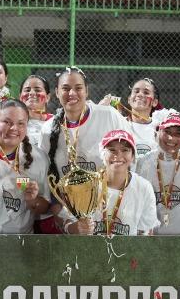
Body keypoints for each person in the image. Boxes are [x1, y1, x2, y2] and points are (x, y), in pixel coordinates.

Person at [39, 67, 130, 233]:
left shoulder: (109, 116)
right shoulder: (47, 129)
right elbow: (48, 180)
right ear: (57, 92)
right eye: (65, 88)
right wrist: (66, 220)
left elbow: (131, 158)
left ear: (87, 91)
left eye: (78, 88)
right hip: (73, 216)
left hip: (111, 211)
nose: (72, 93)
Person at [62, 130, 159, 236]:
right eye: (112, 150)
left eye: (125, 150)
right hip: (89, 250)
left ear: (132, 156)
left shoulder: (144, 187)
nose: (118, 155)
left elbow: (146, 232)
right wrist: (75, 228)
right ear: (103, 154)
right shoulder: (85, 184)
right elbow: (66, 221)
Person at [0, 99, 50, 234]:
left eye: (20, 123)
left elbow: (43, 207)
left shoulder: (39, 157)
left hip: (20, 239)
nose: (14, 128)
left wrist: (33, 200)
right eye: (7, 122)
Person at [136, 110, 180, 235]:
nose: (171, 138)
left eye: (178, 134)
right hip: (152, 241)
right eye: (167, 132)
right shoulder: (143, 163)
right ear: (157, 132)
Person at [99, 77, 163, 157]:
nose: (139, 94)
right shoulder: (117, 124)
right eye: (136, 91)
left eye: (146, 93)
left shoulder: (160, 128)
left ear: (154, 102)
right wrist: (99, 111)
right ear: (129, 99)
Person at [18, 74, 53, 148]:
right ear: (20, 97)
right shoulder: (13, 123)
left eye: (37, 90)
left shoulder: (56, 122)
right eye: (27, 90)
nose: (31, 93)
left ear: (48, 97)